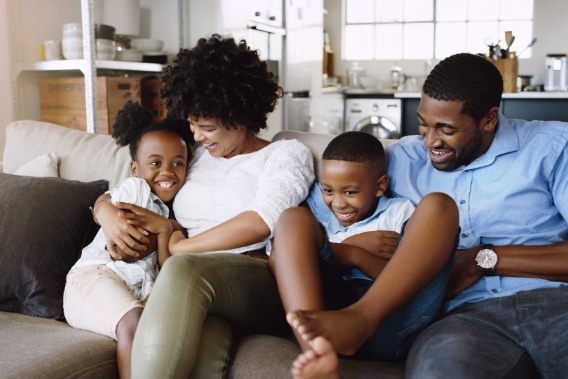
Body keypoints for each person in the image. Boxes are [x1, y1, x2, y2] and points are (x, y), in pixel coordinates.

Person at [91, 34, 315, 378]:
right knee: (204, 343)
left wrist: (182, 248)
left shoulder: (284, 154)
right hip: (200, 287)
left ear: (240, 114)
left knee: (183, 271)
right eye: (193, 124)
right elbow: (138, 186)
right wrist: (103, 209)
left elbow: (262, 220)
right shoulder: (196, 156)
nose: (196, 136)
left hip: (254, 277)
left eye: (207, 127)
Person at [382, 53, 568, 378]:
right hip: (464, 320)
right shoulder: (398, 160)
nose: (430, 141)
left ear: (490, 119)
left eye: (446, 129)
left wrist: (485, 258)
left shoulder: (552, 148)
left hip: (557, 304)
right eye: (423, 123)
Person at [269, 131, 459, 373]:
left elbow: (409, 279)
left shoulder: (400, 214)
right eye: (328, 191)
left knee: (438, 204)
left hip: (393, 318)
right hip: (330, 319)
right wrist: (352, 253)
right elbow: (277, 260)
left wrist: (350, 257)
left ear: (380, 186)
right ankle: (316, 354)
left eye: (349, 192)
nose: (338, 203)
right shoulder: (320, 225)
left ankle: (357, 324)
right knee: (292, 218)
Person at [63, 101, 193, 379]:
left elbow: (166, 270)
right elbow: (123, 251)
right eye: (155, 162)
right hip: (94, 278)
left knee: (162, 332)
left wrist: (165, 229)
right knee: (135, 324)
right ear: (135, 169)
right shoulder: (136, 191)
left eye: (178, 163)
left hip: (131, 290)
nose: (167, 171)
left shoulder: (172, 214)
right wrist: (160, 229)